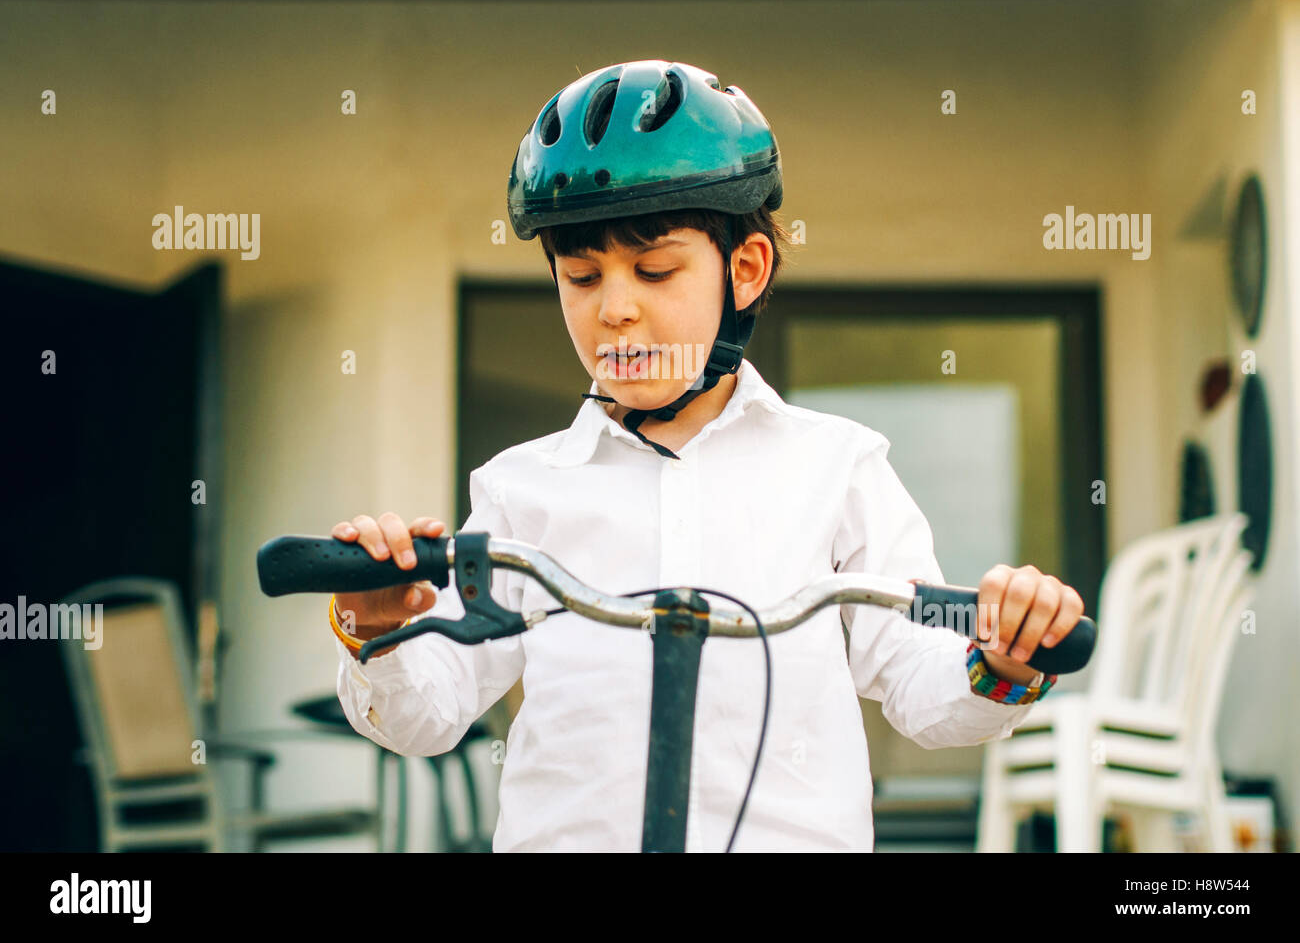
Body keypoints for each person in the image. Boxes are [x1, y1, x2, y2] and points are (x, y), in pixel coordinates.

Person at [329, 59, 1086, 852]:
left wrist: (1002, 655)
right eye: (581, 276)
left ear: (746, 270)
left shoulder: (837, 468)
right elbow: (429, 712)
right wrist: (375, 626)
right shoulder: (523, 491)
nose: (614, 309)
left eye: (654, 270)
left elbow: (919, 678)